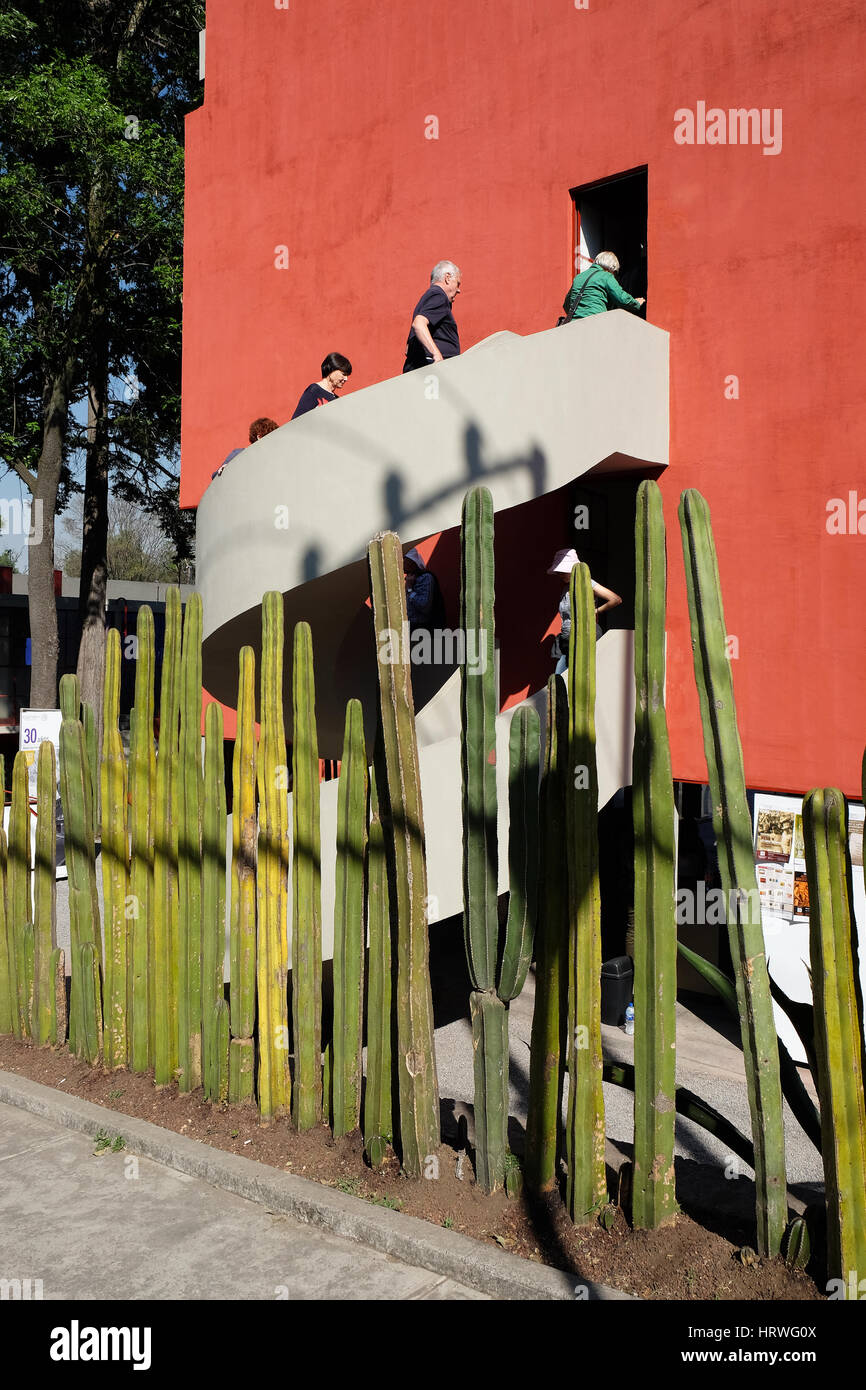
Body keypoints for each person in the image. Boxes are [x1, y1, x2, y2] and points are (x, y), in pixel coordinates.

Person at [548, 547, 621, 673]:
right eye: (558, 571)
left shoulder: (587, 583)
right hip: (567, 639)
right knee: (560, 678)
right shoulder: (566, 588)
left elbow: (615, 599)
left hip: (585, 636)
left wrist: (596, 611)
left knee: (577, 675)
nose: (559, 574)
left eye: (562, 571)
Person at [403, 261, 462, 373]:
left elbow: (408, 348)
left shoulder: (427, 299)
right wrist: (437, 355)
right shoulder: (439, 295)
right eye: (458, 283)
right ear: (447, 278)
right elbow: (419, 324)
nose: (459, 290)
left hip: (422, 371)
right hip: (432, 374)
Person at [561, 251, 645, 323]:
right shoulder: (606, 276)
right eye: (615, 272)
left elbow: (566, 304)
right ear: (611, 268)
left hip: (574, 324)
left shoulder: (579, 277)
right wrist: (636, 303)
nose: (614, 275)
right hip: (596, 322)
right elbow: (621, 298)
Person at [212, 416, 278, 479]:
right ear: (259, 437)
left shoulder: (275, 456)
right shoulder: (239, 454)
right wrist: (227, 469)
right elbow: (215, 477)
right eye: (271, 437)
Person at [291, 352, 352, 419]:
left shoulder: (336, 400)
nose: (346, 379)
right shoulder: (314, 391)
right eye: (343, 374)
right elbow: (296, 421)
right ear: (331, 369)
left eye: (347, 375)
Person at [404, 547, 445, 631]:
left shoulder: (425, 578)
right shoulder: (410, 578)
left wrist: (409, 589)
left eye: (404, 560)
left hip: (423, 628)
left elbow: (424, 606)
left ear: (412, 562)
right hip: (411, 627)